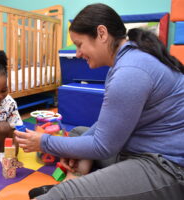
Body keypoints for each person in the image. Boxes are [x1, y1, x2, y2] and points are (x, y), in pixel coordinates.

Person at [15, 3, 184, 200]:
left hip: (168, 166)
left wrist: (45, 142)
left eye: (79, 44)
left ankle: (69, 189)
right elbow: (104, 127)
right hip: (139, 148)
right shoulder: (126, 61)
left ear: (102, 34)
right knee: (79, 134)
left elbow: (103, 147)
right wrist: (74, 149)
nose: (77, 53)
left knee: (63, 192)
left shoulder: (130, 72)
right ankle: (80, 179)